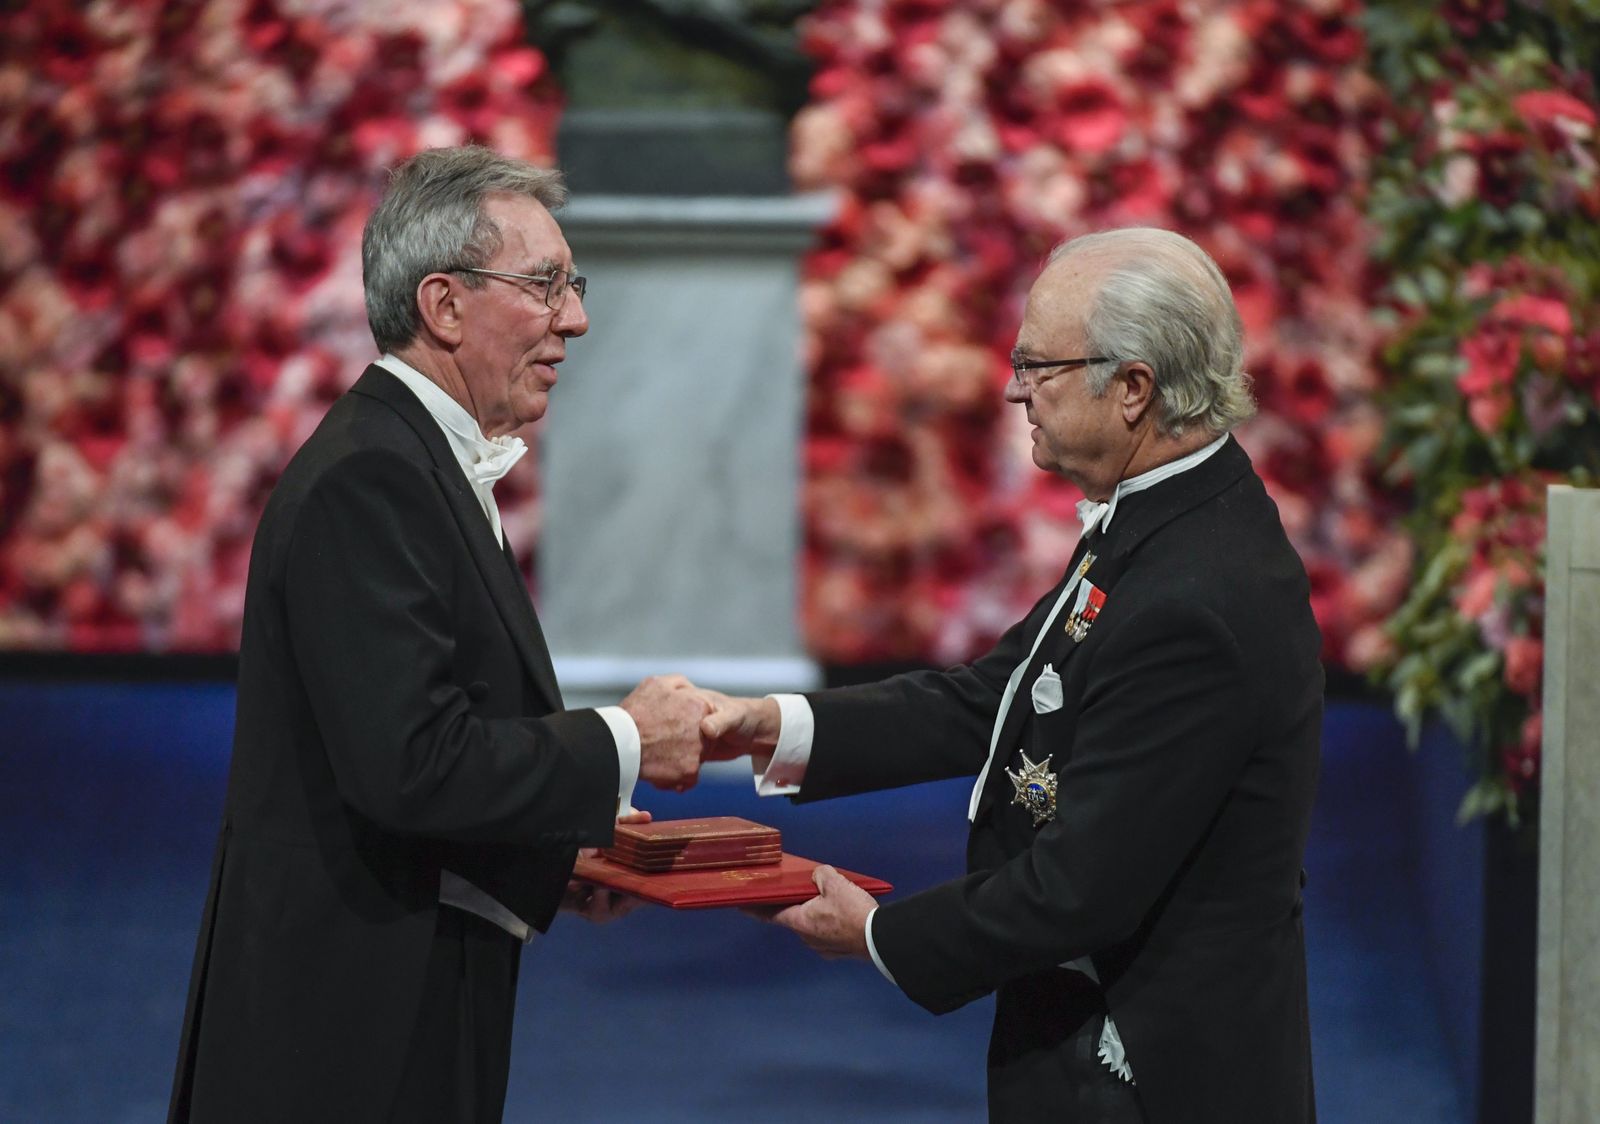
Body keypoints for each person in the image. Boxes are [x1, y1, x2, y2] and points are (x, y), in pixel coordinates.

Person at [702, 228, 1323, 1123]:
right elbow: (998, 694)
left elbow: (1083, 888)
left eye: (1039, 365)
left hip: (1154, 1074)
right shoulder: (1170, 515)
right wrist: (773, 724)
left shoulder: (1198, 593)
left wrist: (878, 934)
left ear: (1134, 389)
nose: (1013, 389)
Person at [168, 147, 709, 1124]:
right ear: (444, 305)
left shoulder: (411, 458)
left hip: (400, 988)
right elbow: (411, 764)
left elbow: (406, 752)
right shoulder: (369, 476)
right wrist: (624, 738)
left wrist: (552, 858)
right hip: (345, 1036)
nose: (575, 318)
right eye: (545, 286)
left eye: (571, 286)